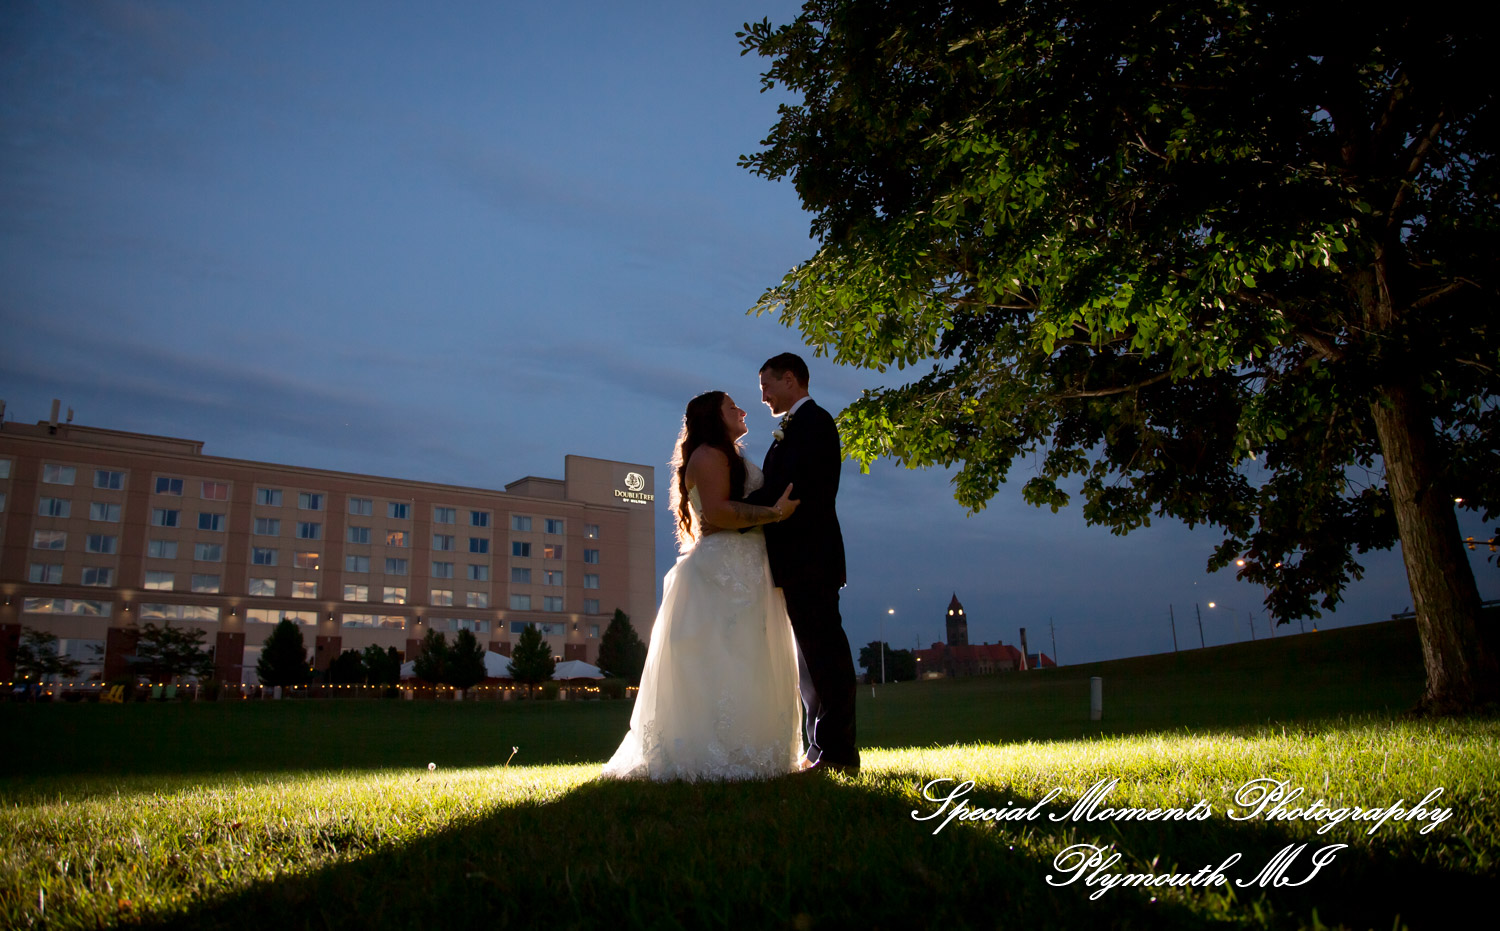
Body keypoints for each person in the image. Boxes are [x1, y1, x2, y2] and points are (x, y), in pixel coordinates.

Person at [602, 390, 804, 781]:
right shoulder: (708, 455)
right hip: (724, 570)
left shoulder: (726, 454)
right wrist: (776, 513)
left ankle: (756, 749)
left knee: (751, 656)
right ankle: (714, 754)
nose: (743, 410)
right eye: (733, 407)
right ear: (714, 417)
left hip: (748, 564)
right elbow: (717, 513)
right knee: (724, 658)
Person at [743, 352, 859, 773]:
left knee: (826, 657)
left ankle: (839, 753)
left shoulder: (815, 423)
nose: (762, 396)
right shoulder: (794, 427)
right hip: (796, 561)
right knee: (809, 661)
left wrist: (730, 511)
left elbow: (786, 490)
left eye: (766, 386)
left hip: (812, 557)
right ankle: (818, 747)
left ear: (790, 379)